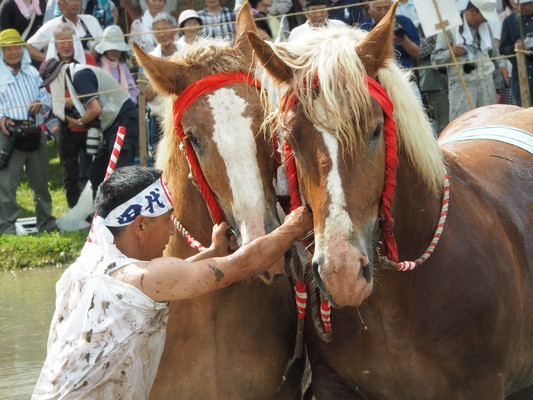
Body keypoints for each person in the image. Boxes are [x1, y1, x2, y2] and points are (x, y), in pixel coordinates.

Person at [31, 165, 312, 398]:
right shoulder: (143, 278)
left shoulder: (87, 265)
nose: (171, 230)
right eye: (167, 220)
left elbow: (158, 283)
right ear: (140, 225)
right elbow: (243, 264)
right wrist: (296, 224)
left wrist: (212, 252)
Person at [39, 58, 139, 198]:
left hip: (122, 119)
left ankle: (124, 213)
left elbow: (95, 109)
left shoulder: (80, 75)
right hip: (111, 124)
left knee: (121, 172)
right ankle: (101, 213)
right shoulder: (75, 74)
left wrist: (78, 122)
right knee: (97, 173)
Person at [0, 29, 57, 234]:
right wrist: (1, 118)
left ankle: (47, 223)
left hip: (34, 132)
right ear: (2, 52)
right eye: (8, 49)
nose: (14, 52)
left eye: (17, 47)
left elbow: (47, 98)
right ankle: (6, 228)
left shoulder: (32, 72)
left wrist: (39, 102)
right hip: (9, 135)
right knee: (7, 185)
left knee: (40, 182)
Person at [44, 23, 98, 209]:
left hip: (91, 119)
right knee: (70, 169)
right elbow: (43, 95)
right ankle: (73, 208)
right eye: (61, 41)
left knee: (95, 167)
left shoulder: (88, 59)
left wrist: (76, 102)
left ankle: (95, 208)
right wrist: (61, 104)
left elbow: (95, 88)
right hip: (64, 121)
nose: (66, 45)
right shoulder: (48, 65)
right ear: (55, 43)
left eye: (69, 40)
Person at [432, 0, 505, 120]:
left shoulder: (485, 26)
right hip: (461, 86)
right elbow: (435, 60)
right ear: (472, 11)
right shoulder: (449, 27)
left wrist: (501, 65)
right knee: (463, 124)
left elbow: (493, 52)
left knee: (490, 123)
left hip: (486, 84)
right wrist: (452, 53)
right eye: (483, 16)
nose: (486, 20)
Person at [27, 0, 104, 64]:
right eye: (70, 0)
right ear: (60, 4)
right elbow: (28, 48)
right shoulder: (52, 25)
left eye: (77, 0)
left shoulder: (91, 20)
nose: (75, 3)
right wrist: (51, 59)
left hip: (93, 66)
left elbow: (104, 44)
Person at [359, 0, 420, 69]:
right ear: (369, 10)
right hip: (378, 70)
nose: (384, 12)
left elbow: (417, 53)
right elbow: (361, 58)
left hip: (404, 69)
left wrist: (403, 40)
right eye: (378, 9)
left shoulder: (404, 22)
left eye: (387, 8)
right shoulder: (363, 27)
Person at [499, 0, 533, 106]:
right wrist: (516, 47)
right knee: (523, 117)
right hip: (520, 79)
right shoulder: (510, 21)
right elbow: (503, 48)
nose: (526, 7)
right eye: (523, 4)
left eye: (529, 3)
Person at [95, 25, 139, 104]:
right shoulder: (97, 67)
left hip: (126, 107)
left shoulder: (123, 66)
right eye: (112, 48)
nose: (115, 52)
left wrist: (128, 103)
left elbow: (133, 90)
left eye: (118, 49)